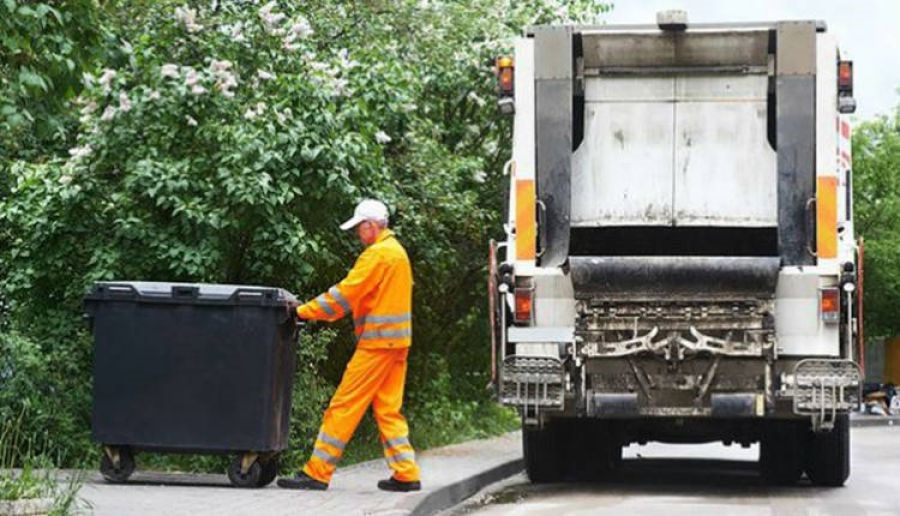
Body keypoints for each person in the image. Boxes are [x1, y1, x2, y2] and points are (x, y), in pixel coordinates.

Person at [277, 199, 421, 492]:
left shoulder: (378, 255)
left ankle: (317, 472)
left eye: (359, 227)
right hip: (396, 343)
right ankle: (406, 473)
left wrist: (303, 311)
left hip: (377, 344)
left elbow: (345, 295)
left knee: (343, 406)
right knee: (388, 409)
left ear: (370, 225)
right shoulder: (397, 253)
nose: (357, 233)